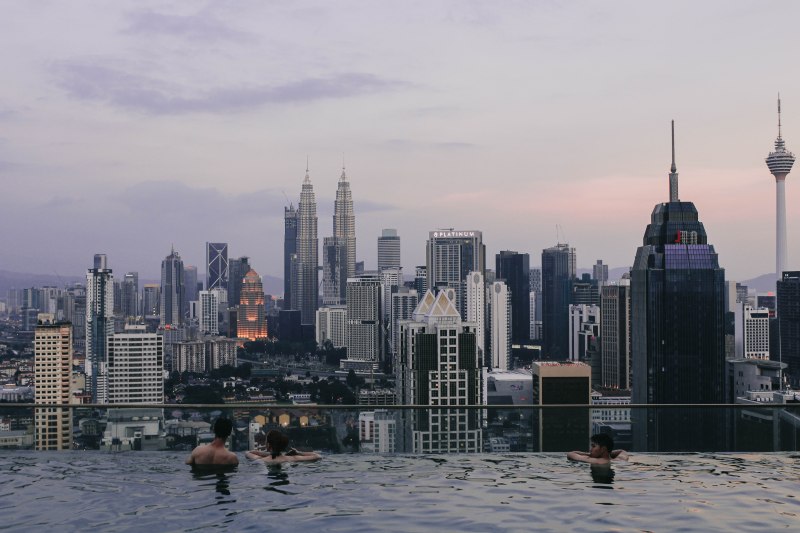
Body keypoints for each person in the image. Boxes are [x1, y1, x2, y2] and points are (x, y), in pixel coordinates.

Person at [246, 429, 321, 464]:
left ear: (268, 445)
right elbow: (317, 456)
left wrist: (266, 454)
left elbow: (248, 453)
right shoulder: (293, 458)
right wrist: (299, 452)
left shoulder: (260, 460)